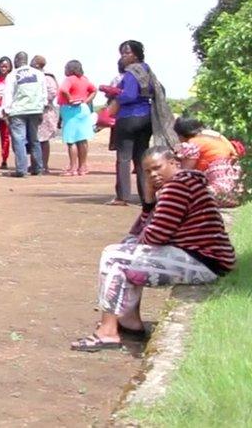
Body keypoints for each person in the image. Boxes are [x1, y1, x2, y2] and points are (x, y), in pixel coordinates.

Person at [70, 146, 234, 352]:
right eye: (147, 172)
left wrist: (148, 210)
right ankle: (129, 321)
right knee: (127, 247)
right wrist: (148, 202)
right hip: (200, 258)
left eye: (157, 168)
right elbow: (143, 231)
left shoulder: (178, 187)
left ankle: (108, 332)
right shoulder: (184, 183)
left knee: (114, 257)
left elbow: (155, 236)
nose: (153, 175)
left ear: (174, 163)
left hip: (204, 263)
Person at [110, 40, 154, 206]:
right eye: (122, 53)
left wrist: (115, 96)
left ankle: (123, 196)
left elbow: (129, 95)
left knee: (124, 158)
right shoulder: (147, 70)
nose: (123, 57)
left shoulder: (130, 73)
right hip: (146, 117)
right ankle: (146, 196)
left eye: (126, 53)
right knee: (141, 158)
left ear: (135, 54)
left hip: (129, 117)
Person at [174, 117, 244, 208]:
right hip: (239, 192)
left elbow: (184, 172)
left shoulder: (192, 144)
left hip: (220, 192)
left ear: (181, 136)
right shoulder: (215, 138)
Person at [2, 51, 48, 177]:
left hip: (18, 112)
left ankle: (21, 170)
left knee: (19, 140)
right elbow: (44, 93)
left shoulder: (12, 75)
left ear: (17, 60)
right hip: (35, 110)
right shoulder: (39, 74)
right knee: (34, 140)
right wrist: (41, 108)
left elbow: (8, 94)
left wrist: (6, 110)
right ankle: (38, 168)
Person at [58, 60, 97, 176]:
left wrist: (70, 99)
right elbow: (94, 90)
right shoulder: (84, 79)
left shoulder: (69, 79)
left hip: (71, 110)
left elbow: (63, 90)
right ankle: (82, 167)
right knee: (82, 139)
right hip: (83, 109)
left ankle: (73, 167)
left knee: (71, 140)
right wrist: (86, 101)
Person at [31, 55, 59, 174]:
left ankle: (44, 165)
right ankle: (35, 164)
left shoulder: (47, 77)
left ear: (37, 65)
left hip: (45, 111)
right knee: (34, 138)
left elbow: (53, 92)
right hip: (32, 110)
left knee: (44, 139)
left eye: (32, 62)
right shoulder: (31, 75)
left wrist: (41, 101)